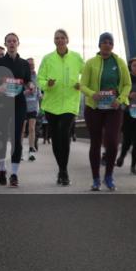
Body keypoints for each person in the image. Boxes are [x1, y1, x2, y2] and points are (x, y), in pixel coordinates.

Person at [80, 33, 131, 191]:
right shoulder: (91, 63)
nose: (107, 45)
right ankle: (96, 178)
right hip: (94, 108)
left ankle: (109, 175)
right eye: (104, 42)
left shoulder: (120, 62)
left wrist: (120, 99)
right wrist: (92, 94)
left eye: (110, 42)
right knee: (95, 142)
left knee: (112, 141)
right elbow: (82, 85)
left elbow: (127, 85)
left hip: (113, 108)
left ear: (113, 45)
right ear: (99, 45)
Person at [37, 29, 84, 186]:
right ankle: (61, 169)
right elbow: (40, 79)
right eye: (57, 38)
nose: (60, 40)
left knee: (64, 134)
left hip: (70, 103)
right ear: (54, 41)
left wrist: (81, 84)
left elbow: (87, 73)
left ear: (67, 40)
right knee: (56, 138)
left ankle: (63, 171)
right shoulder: (48, 58)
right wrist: (46, 85)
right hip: (51, 104)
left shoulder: (76, 57)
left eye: (62, 38)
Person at [0, 33, 31, 187]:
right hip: (2, 105)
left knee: (16, 140)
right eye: (9, 41)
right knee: (2, 140)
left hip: (19, 104)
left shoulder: (24, 64)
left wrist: (30, 86)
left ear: (18, 43)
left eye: (14, 41)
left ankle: (14, 174)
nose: (12, 43)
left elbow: (28, 83)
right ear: (5, 44)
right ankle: (2, 169)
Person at [116, 57, 136, 175]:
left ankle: (133, 166)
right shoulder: (124, 81)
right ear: (130, 67)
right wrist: (128, 96)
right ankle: (122, 157)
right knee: (127, 139)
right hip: (127, 113)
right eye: (134, 65)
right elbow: (117, 94)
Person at [23, 57, 40, 161]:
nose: (31, 66)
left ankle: (31, 150)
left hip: (33, 106)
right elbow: (17, 91)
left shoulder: (36, 77)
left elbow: (39, 91)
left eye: (32, 65)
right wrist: (26, 92)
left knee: (32, 128)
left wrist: (40, 96)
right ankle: (19, 151)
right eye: (29, 65)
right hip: (23, 106)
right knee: (22, 129)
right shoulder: (21, 76)